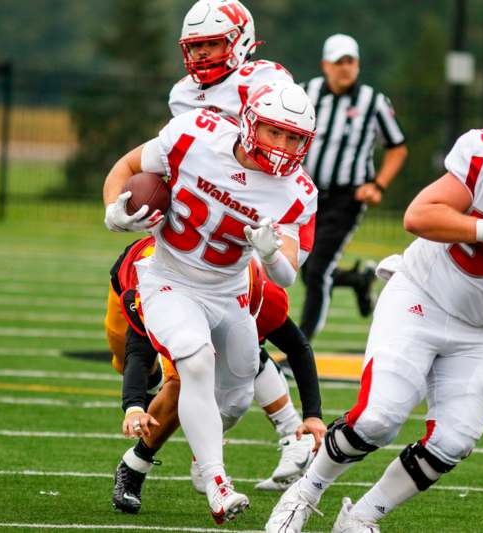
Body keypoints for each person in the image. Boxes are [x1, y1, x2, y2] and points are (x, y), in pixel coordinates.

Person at [265, 86, 483, 532]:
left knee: (454, 441)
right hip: (420, 297)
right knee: (378, 419)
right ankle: (305, 492)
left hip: (479, 326)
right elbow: (419, 216)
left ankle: (361, 518)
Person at [102, 0, 322, 507]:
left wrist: (270, 249)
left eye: (212, 43)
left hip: (238, 255)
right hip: (177, 247)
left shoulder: (269, 90)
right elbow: (145, 162)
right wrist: (115, 207)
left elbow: (286, 265)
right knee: (180, 363)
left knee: (242, 367)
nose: (201, 55)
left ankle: (271, 436)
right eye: (194, 45)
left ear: (241, 41)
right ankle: (202, 463)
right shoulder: (190, 114)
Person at [108, 235, 327, 515]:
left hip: (217, 306)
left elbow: (297, 347)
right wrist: (134, 406)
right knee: (135, 364)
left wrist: (313, 414)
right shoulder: (154, 278)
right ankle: (154, 388)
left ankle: (135, 466)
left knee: (190, 379)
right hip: (152, 290)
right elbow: (137, 350)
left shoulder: (259, 291)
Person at [298, 33, 408, 340]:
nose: (345, 68)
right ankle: (359, 280)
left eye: (350, 61)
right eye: (338, 62)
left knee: (318, 270)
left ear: (357, 64)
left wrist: (378, 185)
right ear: (325, 65)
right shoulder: (306, 93)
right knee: (308, 270)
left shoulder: (373, 102)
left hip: (348, 197)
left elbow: (397, 147)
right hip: (308, 194)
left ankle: (299, 348)